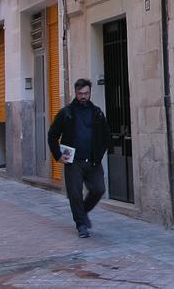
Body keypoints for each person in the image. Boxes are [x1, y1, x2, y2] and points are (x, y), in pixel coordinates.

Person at [47, 79, 110, 238]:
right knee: (75, 193)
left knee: (99, 189)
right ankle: (81, 225)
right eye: (80, 93)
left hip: (93, 161)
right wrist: (58, 155)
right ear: (75, 93)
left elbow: (106, 135)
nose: (83, 96)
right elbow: (52, 135)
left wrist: (100, 153)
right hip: (74, 162)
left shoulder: (97, 113)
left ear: (90, 93)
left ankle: (82, 211)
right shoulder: (66, 113)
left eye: (86, 93)